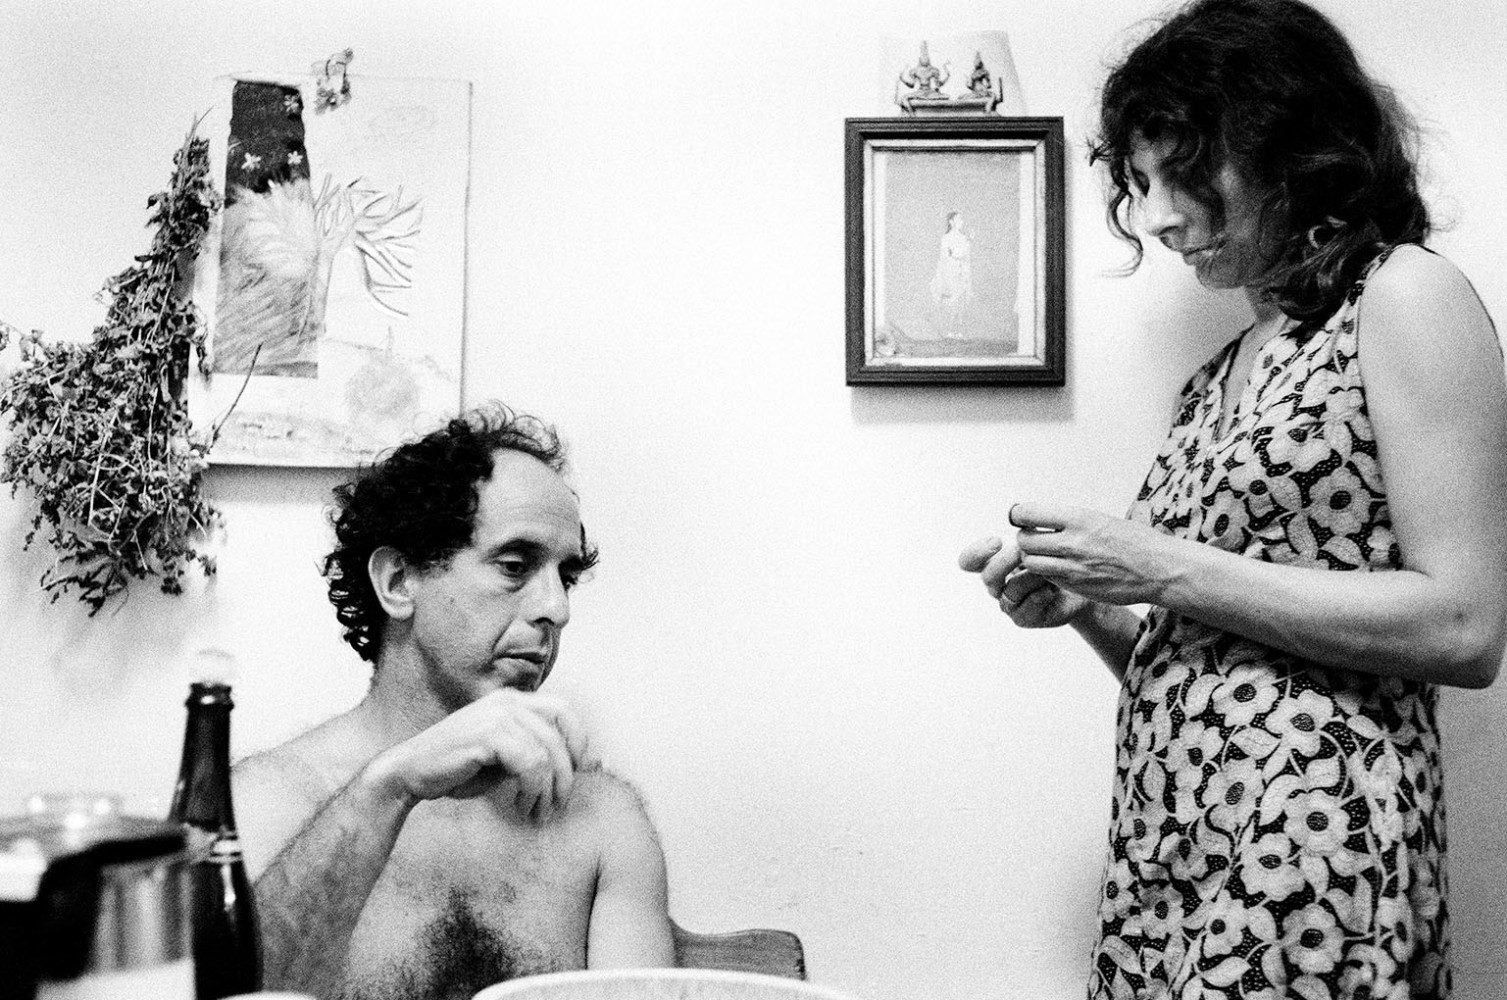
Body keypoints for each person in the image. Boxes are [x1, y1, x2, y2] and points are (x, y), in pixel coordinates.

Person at [958, 2, 1506, 998]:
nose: (1158, 217)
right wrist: (1092, 606)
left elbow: (1464, 627)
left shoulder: (1402, 296)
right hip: (1174, 844)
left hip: (1314, 842)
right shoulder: (1214, 377)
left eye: (1186, 173)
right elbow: (1214, 660)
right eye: (1140, 184)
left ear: (1289, 149)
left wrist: (1160, 564)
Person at [233, 403, 675, 1000]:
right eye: (514, 566)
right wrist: (389, 788)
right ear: (398, 582)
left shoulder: (602, 823)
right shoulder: (262, 805)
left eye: (565, 577)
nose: (557, 608)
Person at [929, 211, 974, 338]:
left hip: (962, 272)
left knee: (962, 301)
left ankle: (959, 331)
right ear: (951, 222)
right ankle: (950, 330)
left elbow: (965, 256)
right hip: (951, 272)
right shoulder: (946, 238)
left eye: (961, 219)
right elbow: (948, 255)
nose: (961, 222)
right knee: (953, 300)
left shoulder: (963, 238)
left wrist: (967, 243)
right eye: (958, 219)